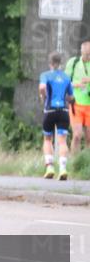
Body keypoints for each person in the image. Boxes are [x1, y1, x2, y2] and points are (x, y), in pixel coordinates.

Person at [40, 51, 75, 180]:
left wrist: (43, 97)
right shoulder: (66, 77)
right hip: (64, 111)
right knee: (62, 141)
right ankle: (63, 169)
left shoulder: (46, 75)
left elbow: (42, 87)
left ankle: (49, 167)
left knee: (47, 139)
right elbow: (71, 97)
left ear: (50, 63)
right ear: (60, 63)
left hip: (50, 111)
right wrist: (69, 100)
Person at [65, 41, 90, 155]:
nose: (88, 57)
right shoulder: (73, 62)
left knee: (89, 137)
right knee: (77, 135)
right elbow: (65, 82)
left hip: (89, 104)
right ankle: (74, 162)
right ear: (81, 52)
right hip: (76, 104)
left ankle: (86, 164)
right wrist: (78, 84)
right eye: (86, 54)